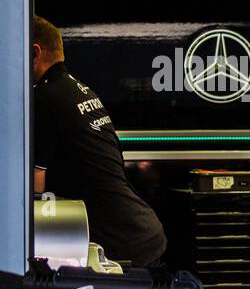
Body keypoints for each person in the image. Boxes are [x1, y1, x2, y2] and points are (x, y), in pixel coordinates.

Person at [31, 16, 168, 267]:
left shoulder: (44, 98)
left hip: (120, 245)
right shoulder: (79, 90)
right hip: (139, 230)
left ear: (34, 52)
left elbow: (35, 189)